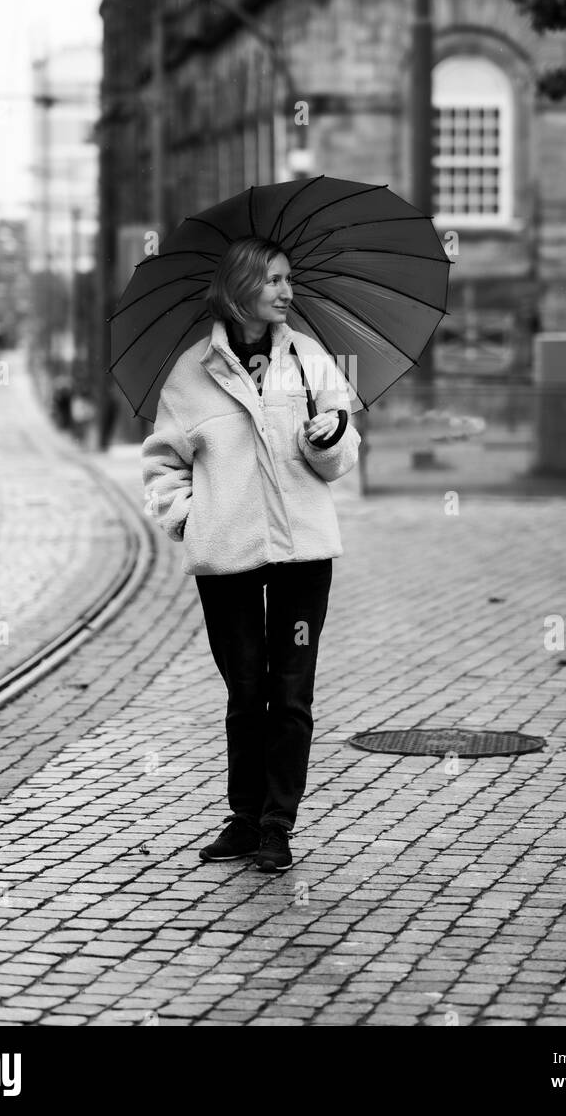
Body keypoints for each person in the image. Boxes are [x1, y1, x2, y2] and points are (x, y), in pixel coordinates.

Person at [141, 237, 360, 873]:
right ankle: (243, 817)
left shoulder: (310, 360)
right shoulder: (191, 373)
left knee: (291, 692)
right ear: (240, 290)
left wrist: (329, 437)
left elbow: (341, 456)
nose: (287, 291)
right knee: (246, 690)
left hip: (302, 552)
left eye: (288, 279)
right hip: (228, 554)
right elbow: (162, 464)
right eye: (273, 281)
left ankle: (276, 825)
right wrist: (189, 518)